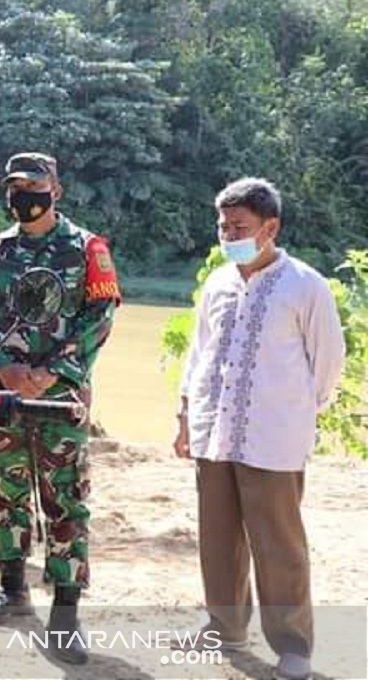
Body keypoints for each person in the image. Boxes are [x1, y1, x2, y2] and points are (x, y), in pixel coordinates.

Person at [175, 178, 344, 680]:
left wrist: (288, 412)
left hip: (274, 436)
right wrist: (186, 415)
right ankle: (224, 628)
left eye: (240, 227)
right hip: (215, 430)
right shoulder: (218, 283)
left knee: (278, 543)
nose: (228, 236)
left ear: (270, 227)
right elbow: (198, 353)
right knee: (218, 538)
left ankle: (293, 646)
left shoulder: (304, 285)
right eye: (223, 226)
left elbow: (327, 364)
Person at [0, 151, 121, 665]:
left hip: (60, 397)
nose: (22, 195)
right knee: (5, 492)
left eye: (33, 184)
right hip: (7, 396)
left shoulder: (85, 249)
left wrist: (55, 369)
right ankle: (12, 590)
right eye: (14, 186)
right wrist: (5, 367)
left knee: (65, 500)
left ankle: (66, 614)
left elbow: (100, 316)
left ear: (56, 189)